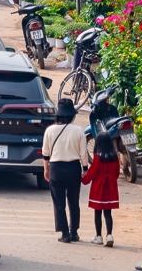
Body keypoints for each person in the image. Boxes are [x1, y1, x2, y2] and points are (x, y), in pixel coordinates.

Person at [43, 99, 89, 243]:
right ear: (72, 115)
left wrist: (46, 169)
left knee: (59, 203)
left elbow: (46, 153)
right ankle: (74, 231)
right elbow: (83, 153)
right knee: (74, 202)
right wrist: (85, 168)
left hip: (56, 168)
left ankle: (65, 234)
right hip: (73, 168)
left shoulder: (50, 130)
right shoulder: (78, 130)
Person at [81, 131, 120, 247]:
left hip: (99, 188)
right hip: (111, 187)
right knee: (108, 212)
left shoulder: (98, 158)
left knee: (97, 212)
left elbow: (92, 173)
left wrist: (84, 179)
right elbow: (117, 173)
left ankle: (98, 236)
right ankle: (109, 235)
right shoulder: (115, 157)